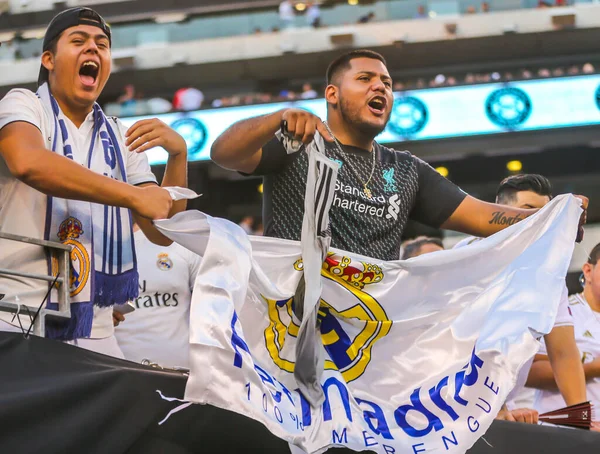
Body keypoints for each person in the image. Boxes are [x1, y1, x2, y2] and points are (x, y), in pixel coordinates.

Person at [210, 50, 587, 263]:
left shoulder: (407, 170)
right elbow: (223, 153)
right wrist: (275, 118)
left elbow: (483, 216)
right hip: (291, 331)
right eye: (365, 79)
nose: (381, 87)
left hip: (368, 339)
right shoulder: (299, 143)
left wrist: (557, 215)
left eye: (387, 83)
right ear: (332, 94)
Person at [0, 7, 188, 357]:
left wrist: (178, 156)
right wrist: (132, 195)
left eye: (102, 44)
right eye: (78, 41)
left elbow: (162, 231)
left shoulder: (119, 134)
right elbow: (29, 163)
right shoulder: (23, 104)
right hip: (17, 311)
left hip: (96, 322)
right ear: (49, 59)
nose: (93, 49)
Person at [454, 174, 587, 423]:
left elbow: (564, 353)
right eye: (527, 211)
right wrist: (494, 406)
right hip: (452, 400)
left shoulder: (549, 271)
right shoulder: (469, 255)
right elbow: (464, 341)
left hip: (503, 403)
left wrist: (581, 418)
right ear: (499, 211)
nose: (537, 220)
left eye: (544, 213)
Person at [527, 243, 600, 418]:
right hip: (564, 432)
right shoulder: (563, 314)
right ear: (588, 271)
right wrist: (593, 368)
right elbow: (528, 373)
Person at [114, 224, 201, 368]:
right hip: (120, 373)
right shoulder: (97, 245)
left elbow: (208, 315)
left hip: (182, 374)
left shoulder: (184, 243)